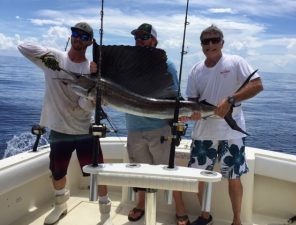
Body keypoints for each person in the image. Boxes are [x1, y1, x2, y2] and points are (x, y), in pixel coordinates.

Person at [18, 22, 111, 225]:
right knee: (57, 171)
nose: (79, 38)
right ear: (71, 36)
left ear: (90, 42)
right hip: (59, 129)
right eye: (76, 33)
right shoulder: (55, 58)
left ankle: (105, 213)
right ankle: (61, 206)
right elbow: (23, 46)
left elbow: (90, 104)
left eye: (84, 36)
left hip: (85, 129)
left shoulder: (91, 70)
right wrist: (50, 58)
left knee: (98, 173)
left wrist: (92, 83)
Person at [180, 24, 264, 225]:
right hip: (203, 133)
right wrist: (189, 116)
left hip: (231, 132)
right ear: (201, 45)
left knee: (234, 177)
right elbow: (193, 103)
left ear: (222, 42)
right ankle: (205, 216)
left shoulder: (235, 62)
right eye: (205, 41)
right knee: (200, 177)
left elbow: (257, 85)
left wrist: (230, 101)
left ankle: (237, 221)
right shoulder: (195, 70)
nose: (210, 44)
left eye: (214, 40)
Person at [126, 23, 189, 225]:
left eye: (144, 37)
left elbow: (176, 96)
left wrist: (181, 118)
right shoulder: (127, 66)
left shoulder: (167, 65)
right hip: (134, 127)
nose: (139, 41)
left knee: (167, 171)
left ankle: (180, 208)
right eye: (136, 37)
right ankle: (141, 204)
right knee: (139, 172)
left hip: (160, 128)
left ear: (154, 41)